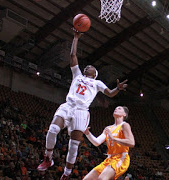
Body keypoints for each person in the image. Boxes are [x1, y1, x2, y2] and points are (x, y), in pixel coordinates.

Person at [37, 29, 128, 180]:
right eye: (86, 67)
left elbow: (110, 94)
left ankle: (66, 173)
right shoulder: (77, 74)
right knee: (53, 129)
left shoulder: (97, 82)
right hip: (68, 105)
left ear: (95, 73)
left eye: (90, 67)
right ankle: (48, 158)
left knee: (74, 144)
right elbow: (73, 56)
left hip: (81, 111)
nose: (87, 67)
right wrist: (76, 38)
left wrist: (117, 89)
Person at [83, 106, 135, 180]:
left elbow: (131, 142)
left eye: (119, 108)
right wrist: (87, 133)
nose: (116, 109)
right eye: (115, 108)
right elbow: (97, 143)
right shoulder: (108, 128)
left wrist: (114, 139)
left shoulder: (124, 125)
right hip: (109, 159)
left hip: (121, 158)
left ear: (124, 114)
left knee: (102, 178)